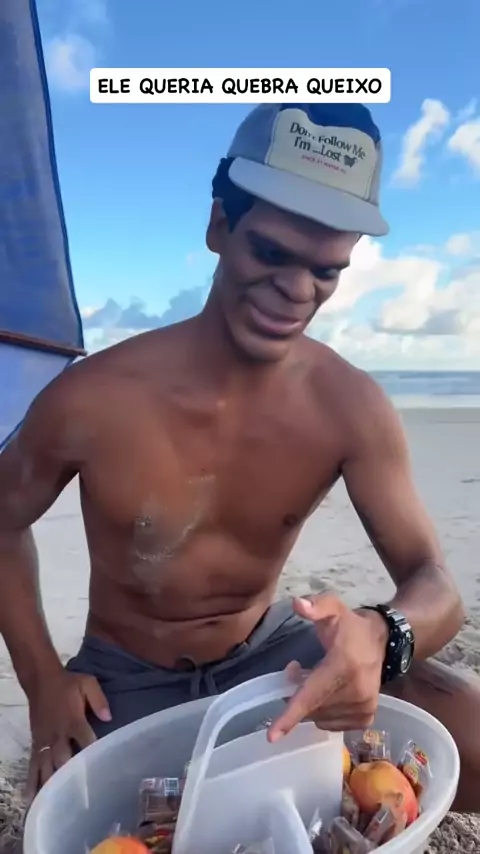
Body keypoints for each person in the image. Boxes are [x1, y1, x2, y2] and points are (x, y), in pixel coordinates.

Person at [0, 103, 478, 811]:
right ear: (220, 226)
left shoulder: (348, 404)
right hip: (124, 680)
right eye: (273, 254)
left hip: (275, 655)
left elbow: (435, 584)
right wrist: (42, 679)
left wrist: (382, 634)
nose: (298, 291)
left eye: (326, 270)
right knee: (75, 825)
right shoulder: (94, 399)